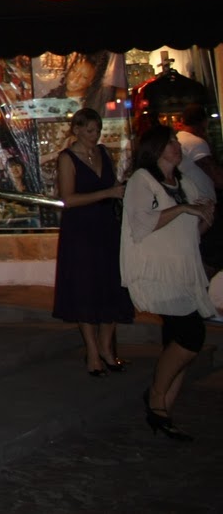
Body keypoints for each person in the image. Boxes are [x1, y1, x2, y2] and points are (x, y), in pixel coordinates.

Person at [120, 125, 216, 441]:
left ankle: (162, 411)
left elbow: (189, 231)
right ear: (156, 148)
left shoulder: (184, 182)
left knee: (177, 340)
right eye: (170, 141)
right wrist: (184, 208)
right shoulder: (142, 180)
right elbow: (142, 224)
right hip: (158, 271)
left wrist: (203, 216)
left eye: (176, 141)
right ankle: (156, 396)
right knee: (191, 336)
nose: (176, 146)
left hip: (183, 269)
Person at [50, 108, 132, 375]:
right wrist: (107, 193)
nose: (94, 136)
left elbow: (114, 185)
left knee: (111, 285)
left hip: (107, 226)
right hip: (81, 229)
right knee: (85, 289)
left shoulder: (103, 153)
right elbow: (67, 199)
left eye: (97, 130)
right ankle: (93, 352)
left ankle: (106, 347)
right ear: (77, 130)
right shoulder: (67, 158)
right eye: (89, 131)